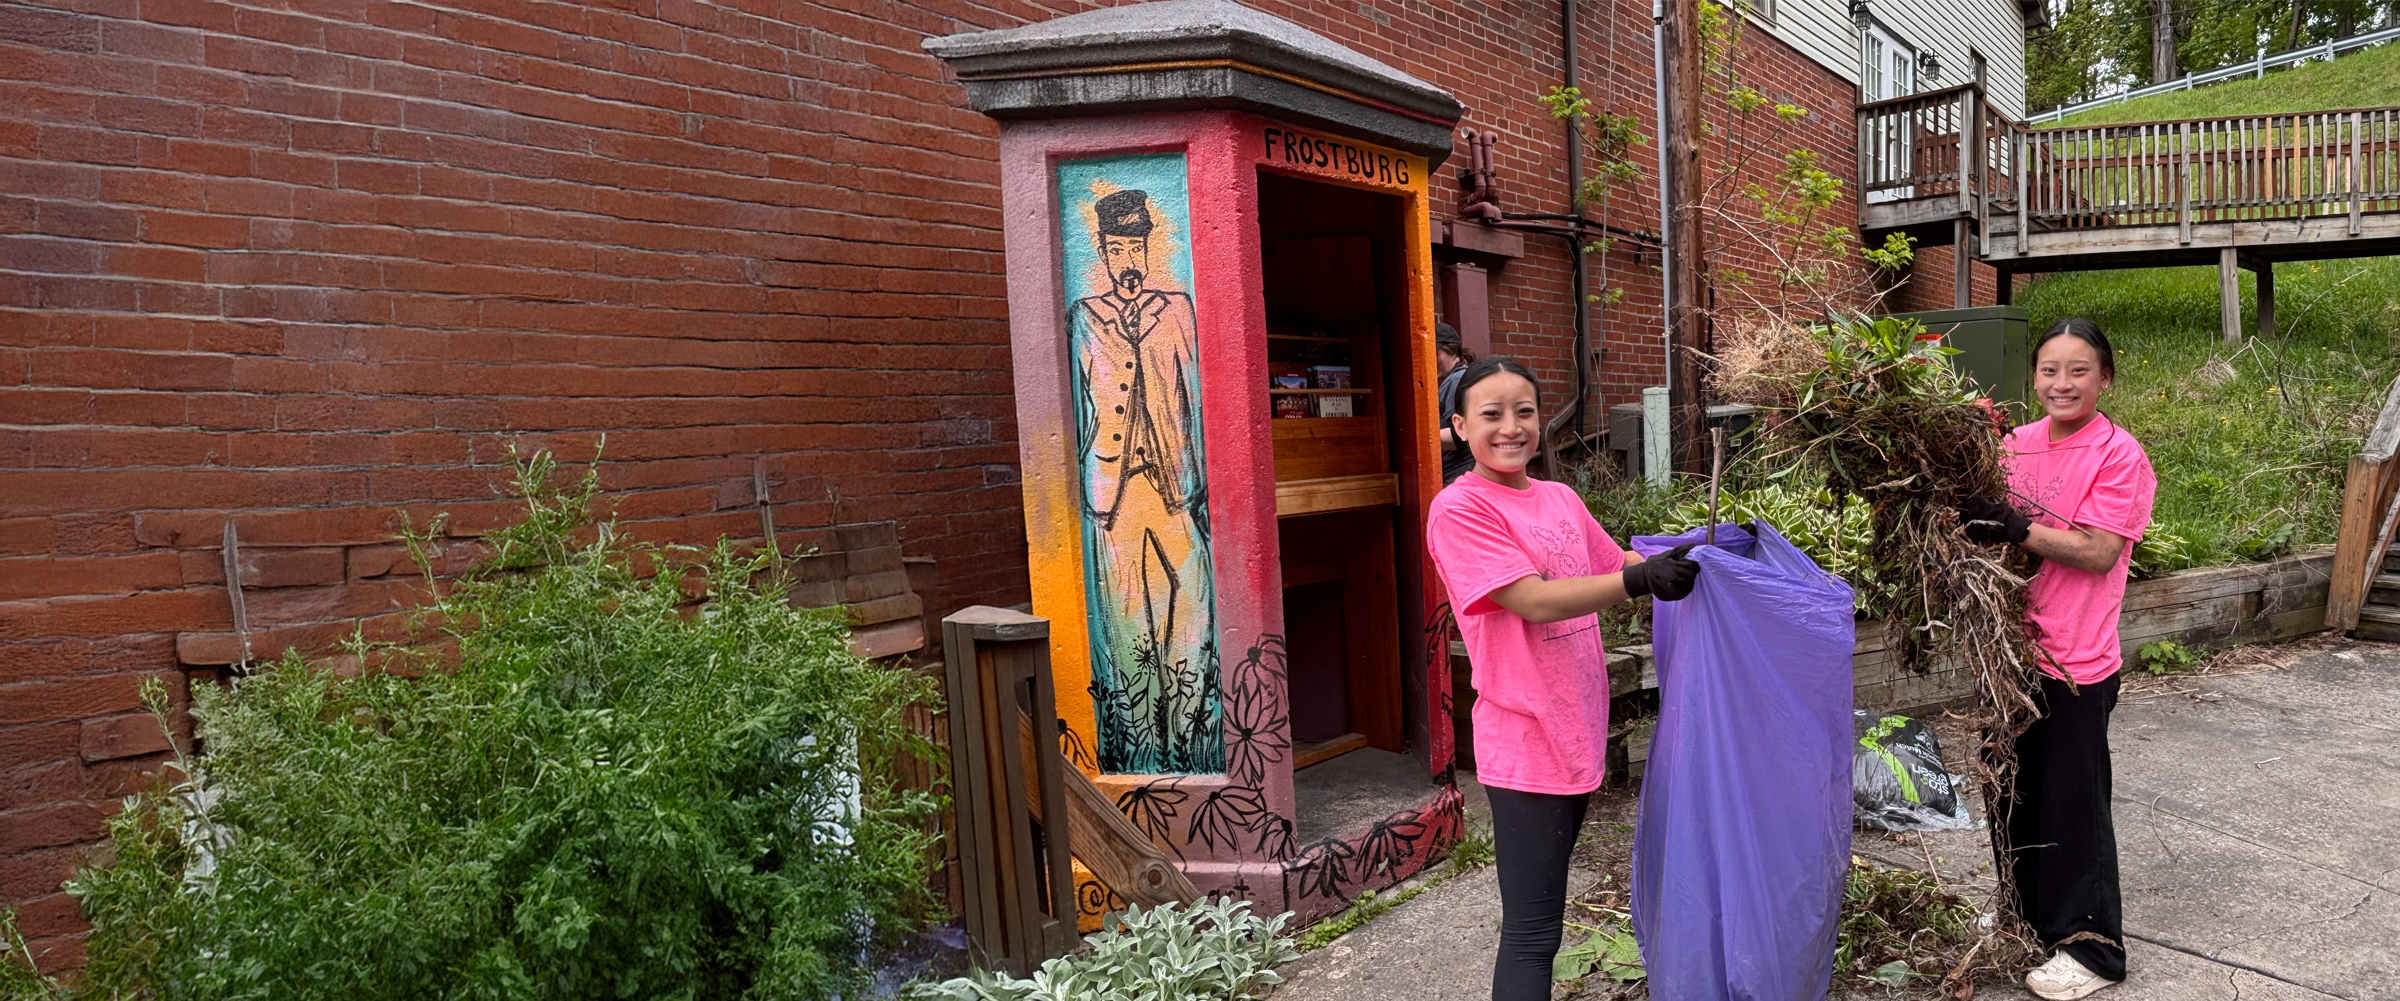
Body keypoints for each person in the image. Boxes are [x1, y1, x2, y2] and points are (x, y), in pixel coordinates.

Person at [1423, 356, 1702, 1001]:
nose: (1511, 427)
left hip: (1575, 726)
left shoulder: (1559, 499)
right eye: (1491, 414)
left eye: (1524, 411)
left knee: (1546, 918)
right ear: (1460, 426)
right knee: (1532, 929)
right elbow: (1532, 599)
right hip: (1524, 736)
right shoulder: (1459, 509)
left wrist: (1699, 557)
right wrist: (1637, 581)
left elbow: (1617, 563)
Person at [1956, 318, 2155, 1001]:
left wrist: (2017, 527)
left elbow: (2099, 551)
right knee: (2011, 792)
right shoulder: (2015, 445)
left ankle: (2092, 945)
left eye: (2078, 370)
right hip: (2008, 652)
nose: (2062, 383)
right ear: (2033, 376)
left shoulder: (2118, 454)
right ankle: (2029, 918)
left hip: (2077, 658)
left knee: (2073, 805)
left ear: (2105, 377)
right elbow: (1987, 527)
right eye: (2049, 369)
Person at [1435, 323, 1476, 484]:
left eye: (1435, 353)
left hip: (1458, 474)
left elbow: (1460, 435)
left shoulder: (1456, 380)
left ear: (1450, 351)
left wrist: (1424, 438)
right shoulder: (1459, 378)